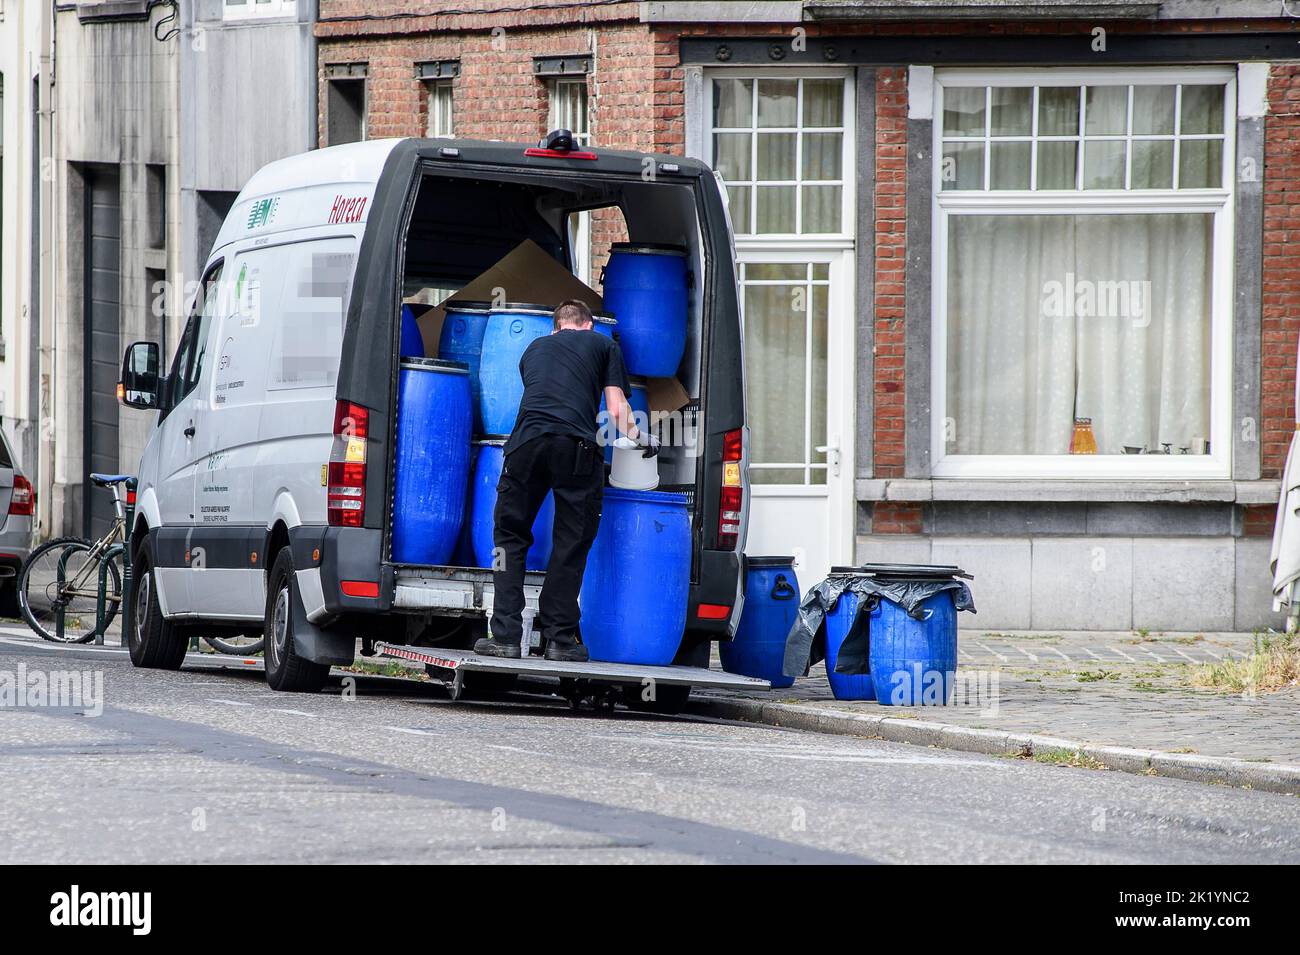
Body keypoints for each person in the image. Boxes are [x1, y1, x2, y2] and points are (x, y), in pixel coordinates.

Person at [475, 299, 657, 661]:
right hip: (576, 448)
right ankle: (559, 640)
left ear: (555, 328)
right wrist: (642, 440)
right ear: (589, 326)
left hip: (524, 446)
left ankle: (507, 637)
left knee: (509, 539)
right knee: (571, 541)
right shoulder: (605, 345)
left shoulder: (534, 348)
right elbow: (618, 411)